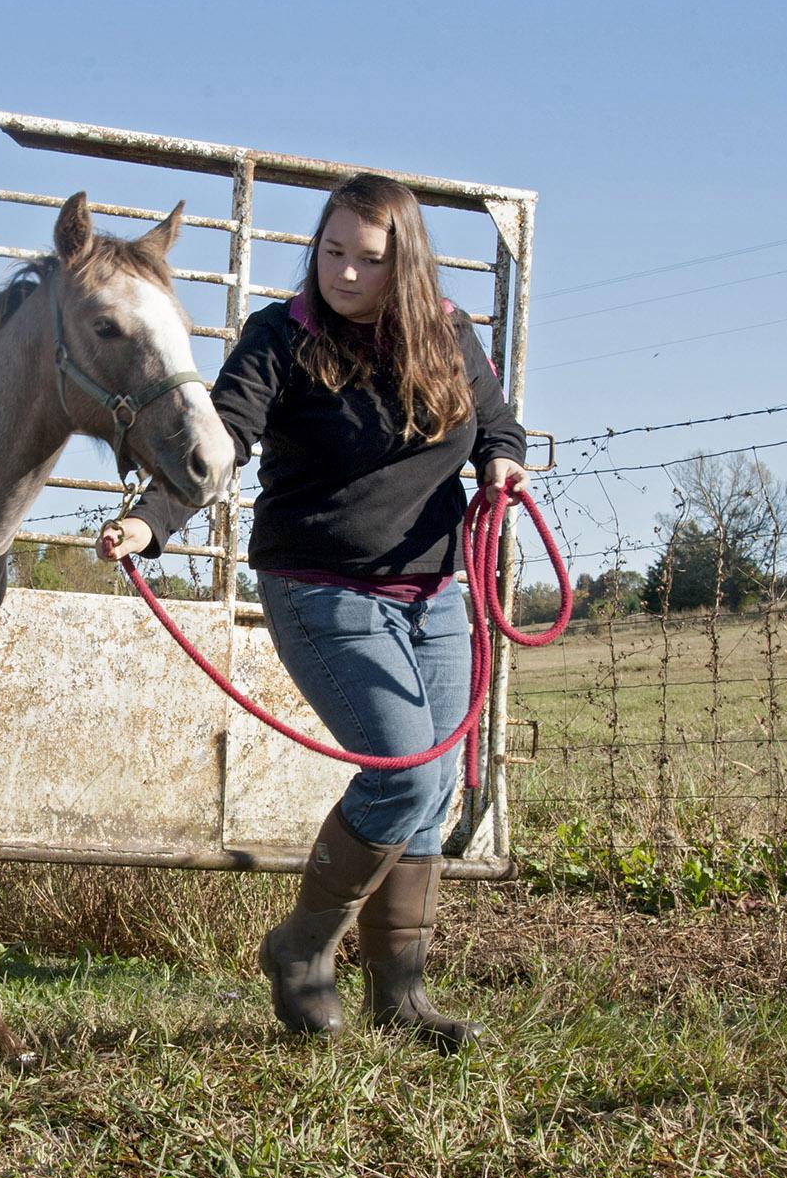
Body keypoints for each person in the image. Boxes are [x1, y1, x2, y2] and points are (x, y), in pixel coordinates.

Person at [99, 173, 528, 1050]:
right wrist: (151, 519)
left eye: (368, 260)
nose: (344, 272)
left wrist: (501, 463)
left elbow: (495, 424)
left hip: (434, 589)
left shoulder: (448, 333)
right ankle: (301, 951)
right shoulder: (281, 336)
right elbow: (221, 439)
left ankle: (400, 999)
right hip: (320, 585)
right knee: (406, 771)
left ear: (401, 263)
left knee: (434, 788)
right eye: (333, 252)